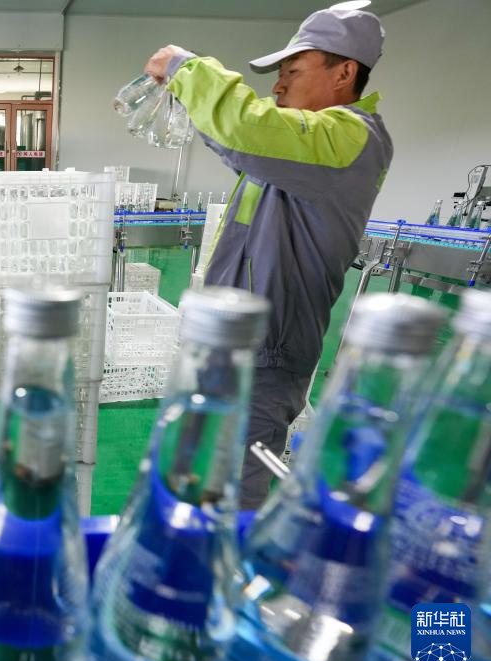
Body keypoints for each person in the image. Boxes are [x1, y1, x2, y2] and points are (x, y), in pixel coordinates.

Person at [144, 8, 393, 509]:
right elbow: (241, 143)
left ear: (344, 73)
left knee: (231, 496)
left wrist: (186, 69)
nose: (278, 86)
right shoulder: (303, 150)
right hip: (235, 344)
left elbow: (246, 129)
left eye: (292, 72)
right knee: (199, 480)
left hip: (267, 352)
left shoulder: (351, 137)